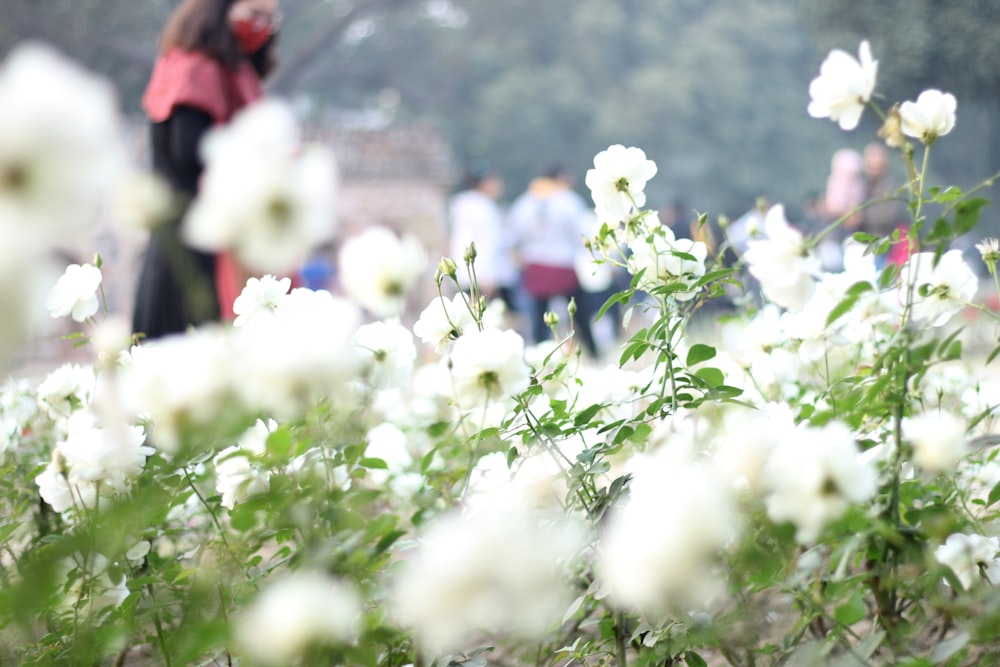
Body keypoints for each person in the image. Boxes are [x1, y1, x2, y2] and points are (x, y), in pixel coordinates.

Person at [132, 0, 281, 339]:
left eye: (270, 19)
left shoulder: (230, 68)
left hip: (216, 231)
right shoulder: (195, 67)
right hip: (188, 230)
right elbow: (190, 147)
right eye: (254, 14)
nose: (263, 27)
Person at [508, 166, 597, 357]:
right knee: (578, 312)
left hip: (536, 263)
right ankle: (593, 351)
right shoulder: (568, 200)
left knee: (540, 315)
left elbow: (515, 233)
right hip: (562, 261)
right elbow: (579, 233)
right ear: (561, 178)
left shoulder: (525, 201)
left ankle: (539, 353)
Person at [448, 168, 518, 309]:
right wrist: (488, 276)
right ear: (483, 184)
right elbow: (490, 242)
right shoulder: (485, 207)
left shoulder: (460, 204)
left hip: (464, 273)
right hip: (485, 276)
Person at [858, 142, 908, 268]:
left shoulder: (889, 187)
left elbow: (888, 216)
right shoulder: (861, 185)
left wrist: (861, 217)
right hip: (859, 245)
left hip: (881, 244)